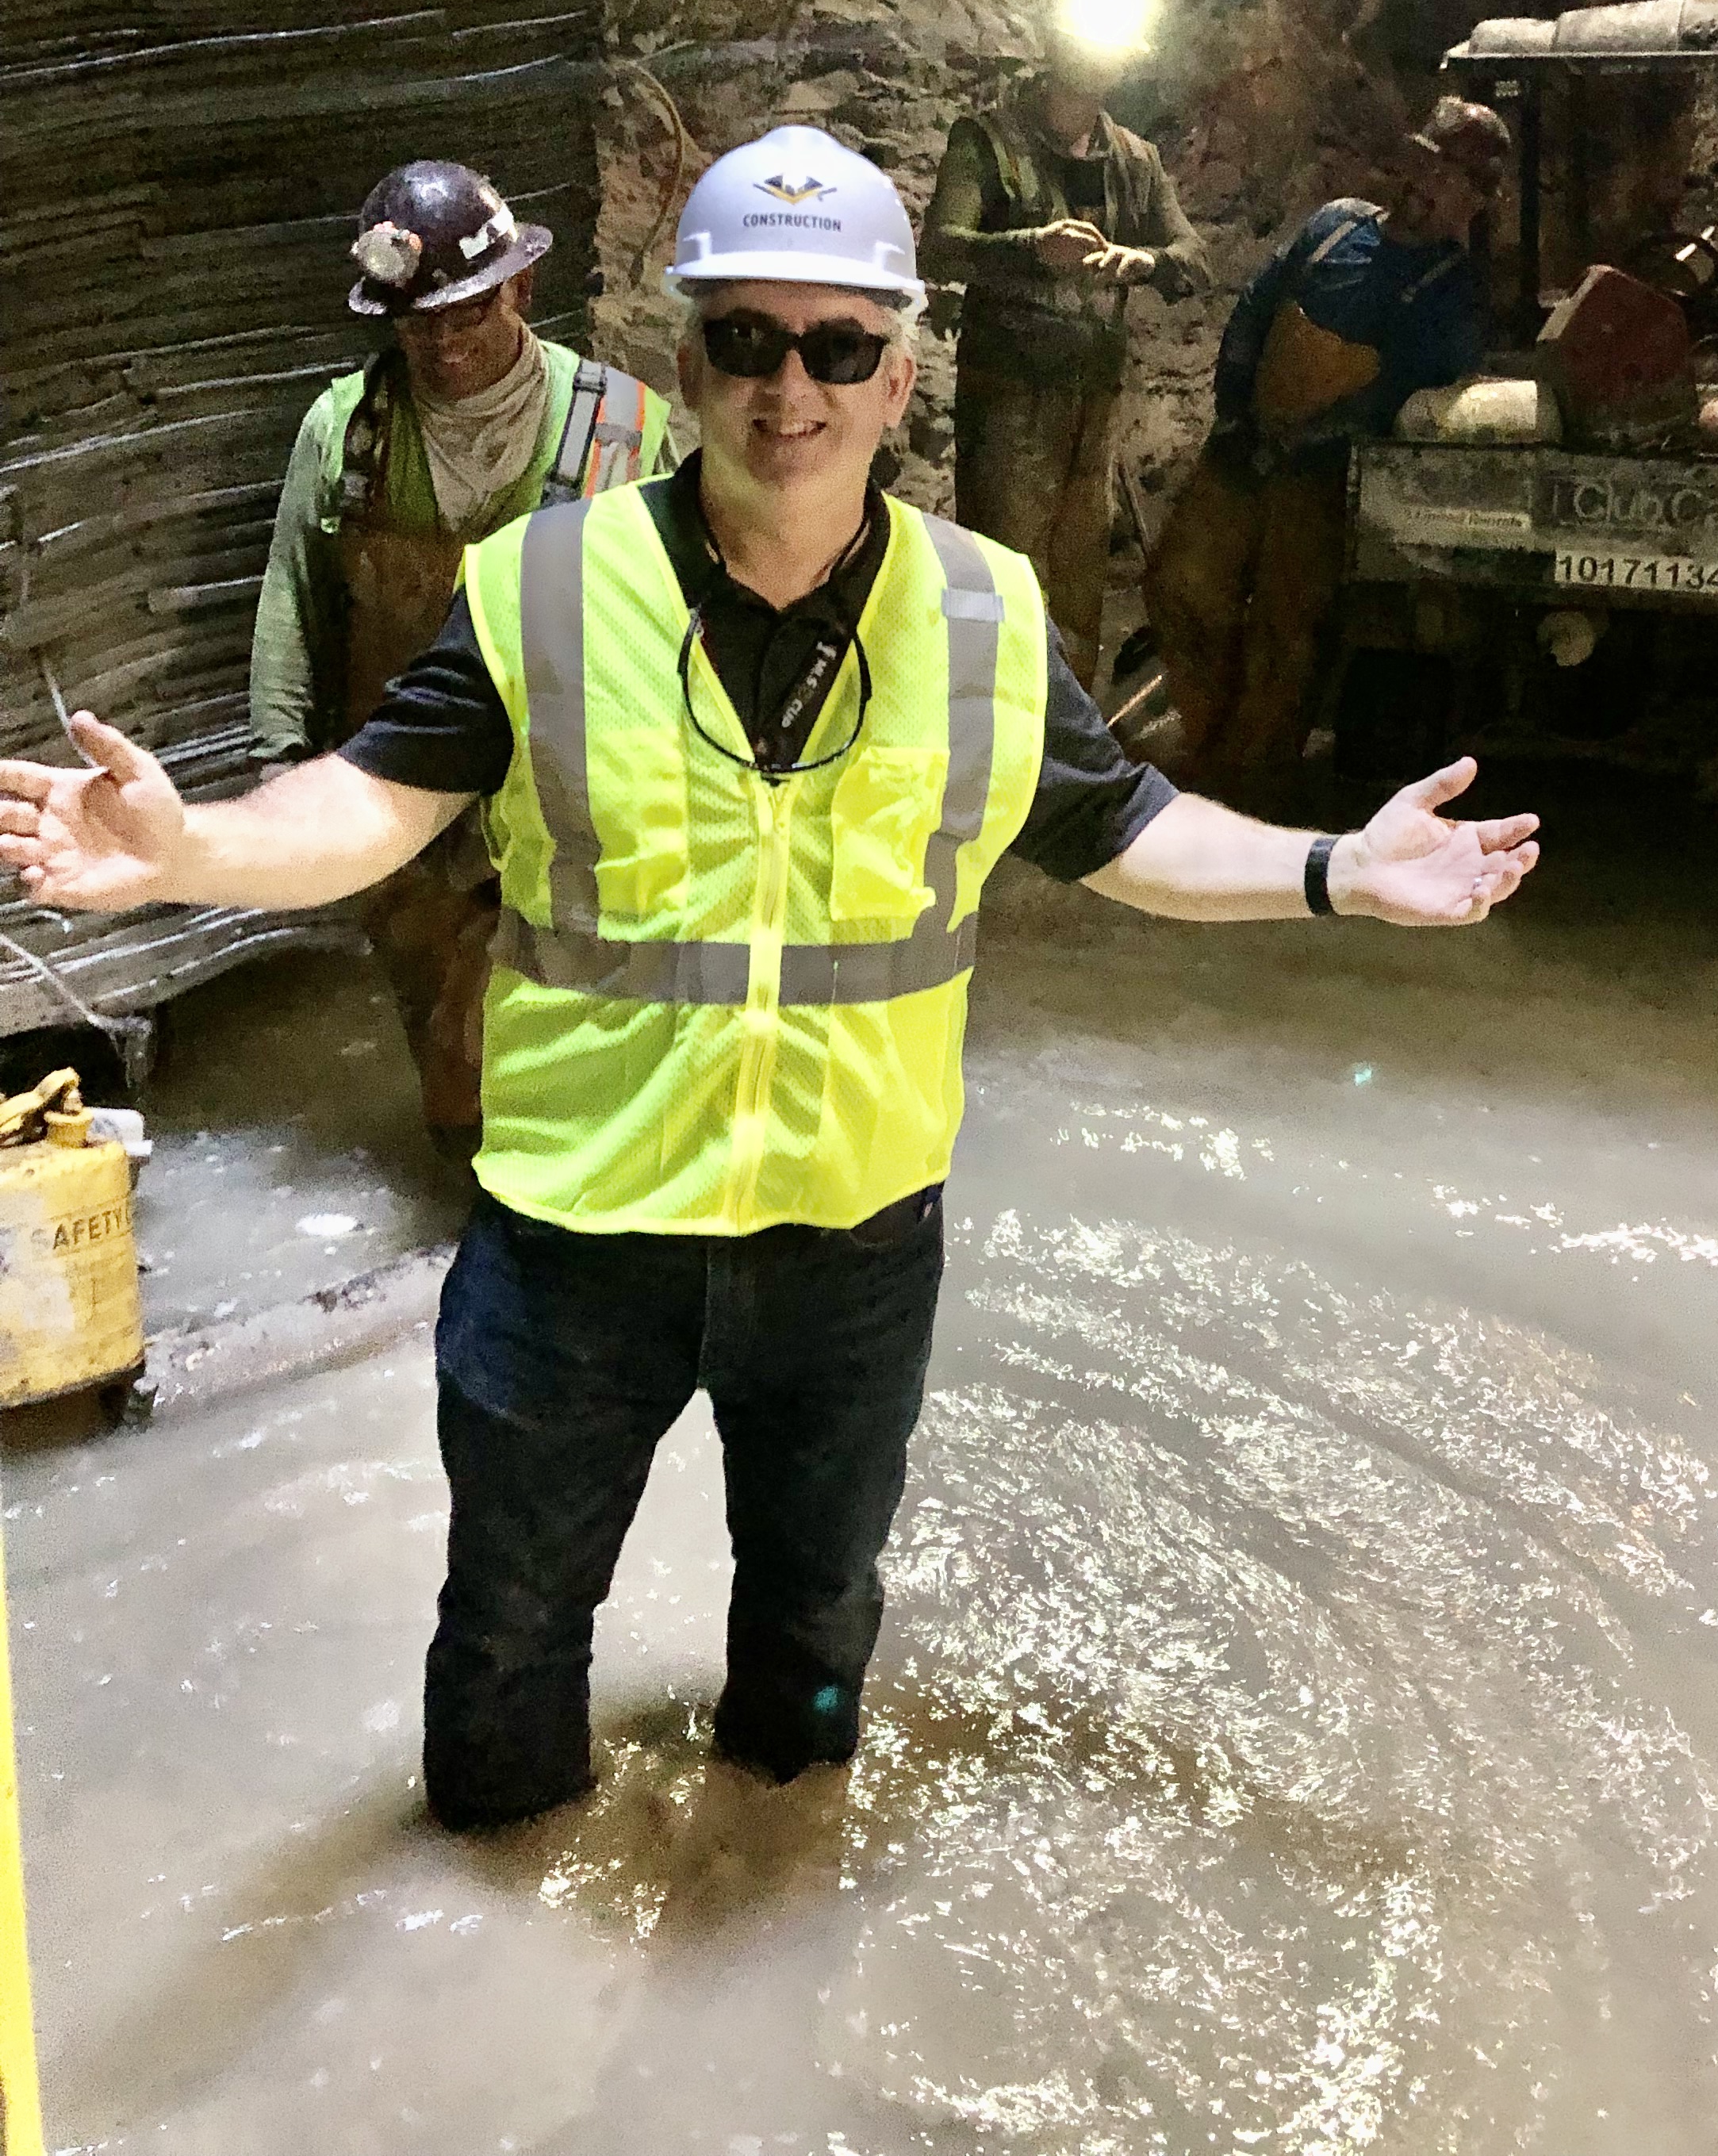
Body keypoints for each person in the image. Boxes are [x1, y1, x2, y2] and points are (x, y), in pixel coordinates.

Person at [0, 122, 1538, 1835]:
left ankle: (768, 1893)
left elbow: (1129, 835)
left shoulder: (984, 615)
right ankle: (507, 1963)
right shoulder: (547, 590)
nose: (787, 388)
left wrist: (1339, 870)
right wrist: (187, 848)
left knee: (812, 1643)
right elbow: (365, 806)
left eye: (836, 347)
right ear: (691, 359)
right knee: (509, 1635)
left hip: (851, 1249)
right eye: (747, 339)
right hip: (576, 1238)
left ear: (898, 377)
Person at [249, 162, 671, 1157]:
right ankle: (473, 1219)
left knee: (561, 1024)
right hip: (401, 798)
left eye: (466, 310)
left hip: (568, 794)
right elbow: (293, 602)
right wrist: (281, 766)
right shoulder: (347, 432)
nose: (441, 341)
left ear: (521, 289)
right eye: (416, 321)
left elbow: (675, 625)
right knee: (447, 1047)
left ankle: (557, 1213)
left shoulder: (620, 431)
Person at [1145, 94, 1513, 789]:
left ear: (1475, 202)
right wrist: (1238, 419)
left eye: (1453, 182)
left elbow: (1410, 394)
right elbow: (1254, 314)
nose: (1429, 188)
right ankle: (1208, 740)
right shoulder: (1335, 226)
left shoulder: (1453, 294)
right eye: (1426, 168)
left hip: (1325, 477)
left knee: (1286, 634)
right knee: (1179, 587)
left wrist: (1314, 438)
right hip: (1244, 447)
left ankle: (1250, 784)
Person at [923, 0, 1207, 686]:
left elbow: (1193, 257)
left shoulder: (1134, 158)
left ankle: (1070, 750)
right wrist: (1030, 248)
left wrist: (1148, 260)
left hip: (1092, 404)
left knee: (1081, 585)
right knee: (1005, 578)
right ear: (1057, 51)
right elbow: (940, 247)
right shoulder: (988, 141)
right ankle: (992, 739)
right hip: (1009, 400)